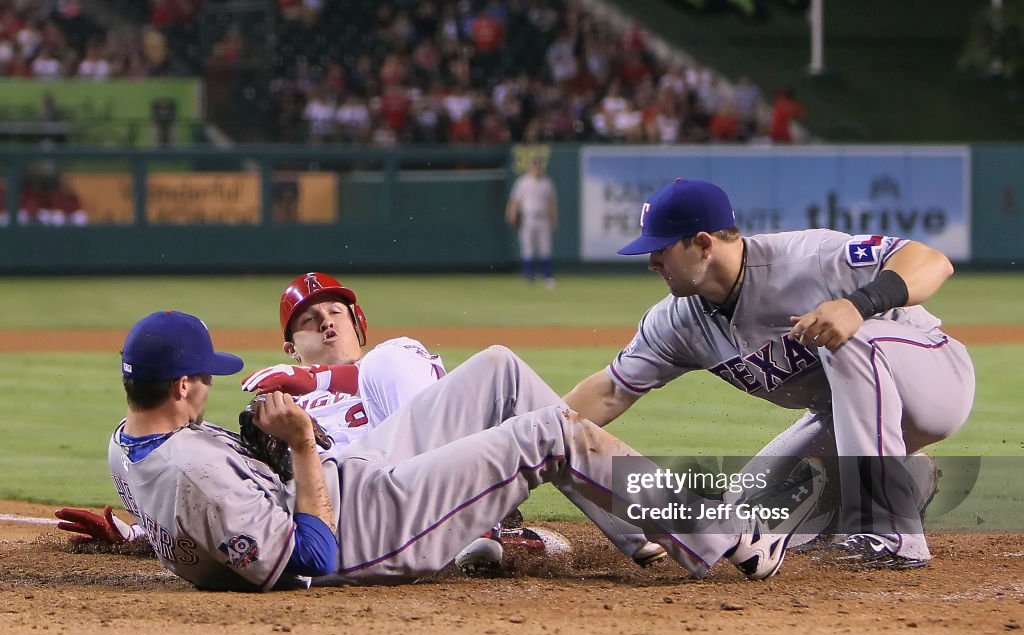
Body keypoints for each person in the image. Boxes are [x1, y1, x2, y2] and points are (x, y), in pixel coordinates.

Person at [85, 305, 811, 592]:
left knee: (497, 366)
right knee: (550, 432)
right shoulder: (194, 471)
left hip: (351, 476)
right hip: (364, 526)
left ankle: (641, 531)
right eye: (204, 377)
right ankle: (725, 537)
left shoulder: (132, 443)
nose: (213, 385)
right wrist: (303, 444)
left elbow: (189, 519)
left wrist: (134, 533)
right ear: (180, 384)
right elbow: (306, 558)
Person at [564, 178, 975, 570]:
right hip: (850, 417)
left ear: (703, 244)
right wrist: (537, 435)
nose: (652, 261)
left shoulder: (807, 257)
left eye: (662, 249)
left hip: (932, 381)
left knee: (847, 340)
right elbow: (609, 391)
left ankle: (889, 533)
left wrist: (858, 304)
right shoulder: (677, 322)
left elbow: (932, 261)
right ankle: (907, 481)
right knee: (746, 507)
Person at [505, 156, 558, 287]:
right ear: (530, 167)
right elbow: (515, 200)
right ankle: (529, 276)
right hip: (527, 217)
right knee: (528, 248)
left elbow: (552, 203)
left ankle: (547, 276)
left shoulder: (547, 183)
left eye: (538, 166)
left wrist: (554, 219)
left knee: (545, 248)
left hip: (543, 218)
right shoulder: (523, 182)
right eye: (534, 166)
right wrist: (511, 213)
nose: (536, 168)